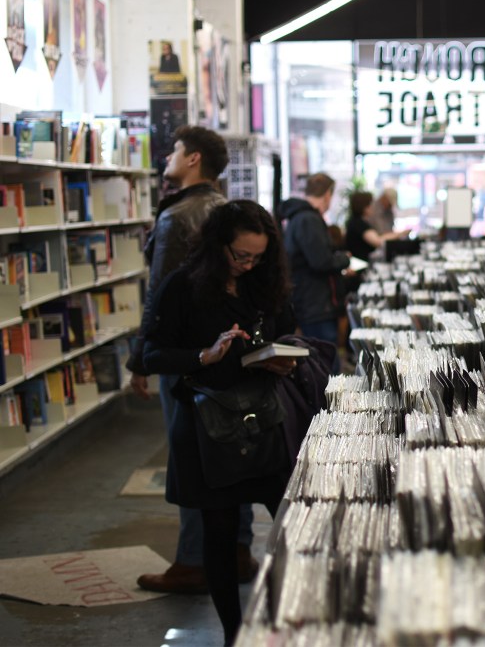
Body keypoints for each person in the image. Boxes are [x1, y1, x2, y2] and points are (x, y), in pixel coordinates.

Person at [142, 200, 296, 644]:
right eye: (240, 255)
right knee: (220, 530)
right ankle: (233, 632)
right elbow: (153, 355)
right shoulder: (183, 286)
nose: (248, 265)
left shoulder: (262, 282)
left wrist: (282, 355)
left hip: (261, 419)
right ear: (218, 244)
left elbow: (288, 327)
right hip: (207, 424)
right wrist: (204, 356)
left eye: (257, 257)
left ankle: (295, 617)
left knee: (292, 519)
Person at [125, 126, 258, 595]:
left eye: (175, 151)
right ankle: (237, 551)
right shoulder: (230, 212)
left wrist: (141, 356)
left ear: (194, 158)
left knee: (190, 458)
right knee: (235, 451)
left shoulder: (177, 215)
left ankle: (194, 561)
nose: (168, 157)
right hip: (231, 350)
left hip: (187, 356)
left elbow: (160, 296)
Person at [278, 173, 350, 373]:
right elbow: (321, 261)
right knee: (326, 365)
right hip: (315, 304)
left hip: (310, 301)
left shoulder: (300, 217)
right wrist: (344, 258)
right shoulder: (308, 219)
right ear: (327, 194)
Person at [345, 191, 409, 262]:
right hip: (361, 263)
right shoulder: (358, 223)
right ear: (365, 207)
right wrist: (400, 233)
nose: (373, 207)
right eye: (371, 204)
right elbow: (378, 241)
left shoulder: (358, 221)